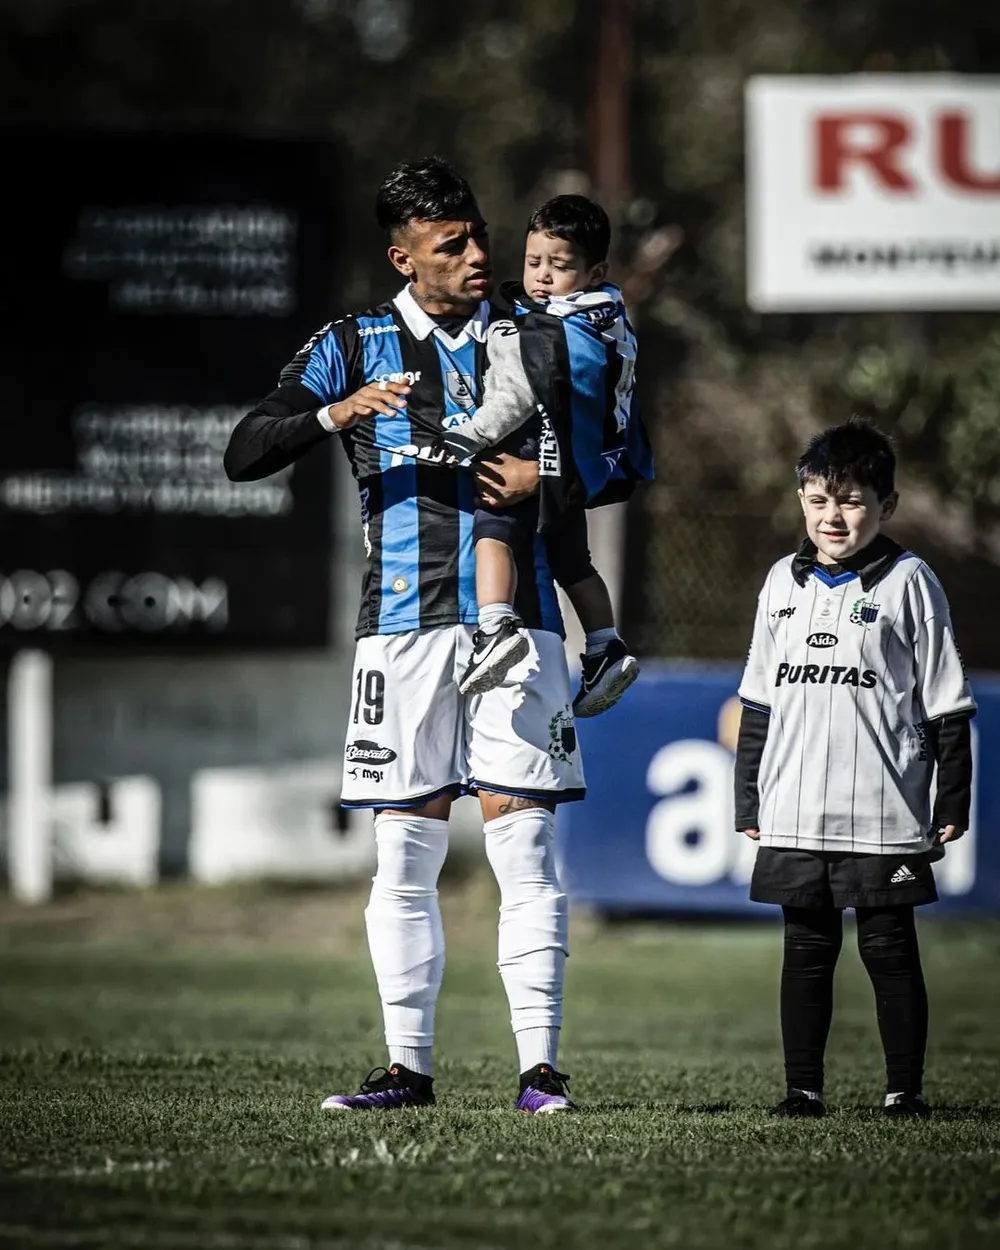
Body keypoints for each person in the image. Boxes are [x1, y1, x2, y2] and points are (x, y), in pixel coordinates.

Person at [224, 157, 585, 1115]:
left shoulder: (535, 332)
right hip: (402, 632)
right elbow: (245, 449)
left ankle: (541, 1075)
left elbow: (615, 463)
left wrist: (548, 488)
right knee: (405, 857)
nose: (477, 255)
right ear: (403, 255)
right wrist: (335, 412)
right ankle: (407, 1069)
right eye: (451, 244)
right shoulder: (354, 341)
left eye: (478, 235)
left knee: (527, 851)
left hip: (522, 626)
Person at [734, 417, 975, 1118]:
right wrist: (749, 798)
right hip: (794, 808)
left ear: (886, 505)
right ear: (802, 502)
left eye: (851, 500)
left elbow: (945, 702)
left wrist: (948, 797)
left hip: (884, 809)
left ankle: (905, 1091)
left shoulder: (911, 582)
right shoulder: (782, 580)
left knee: (889, 949)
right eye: (817, 500)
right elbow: (757, 700)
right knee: (806, 950)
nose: (832, 516)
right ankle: (801, 1090)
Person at [438, 195, 652, 716]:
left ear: (594, 269)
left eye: (560, 266)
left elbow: (513, 399)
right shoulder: (611, 317)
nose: (541, 277)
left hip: (532, 450)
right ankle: (606, 645)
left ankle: (496, 628)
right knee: (573, 560)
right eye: (534, 262)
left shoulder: (537, 330)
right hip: (574, 465)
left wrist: (466, 436)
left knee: (492, 532)